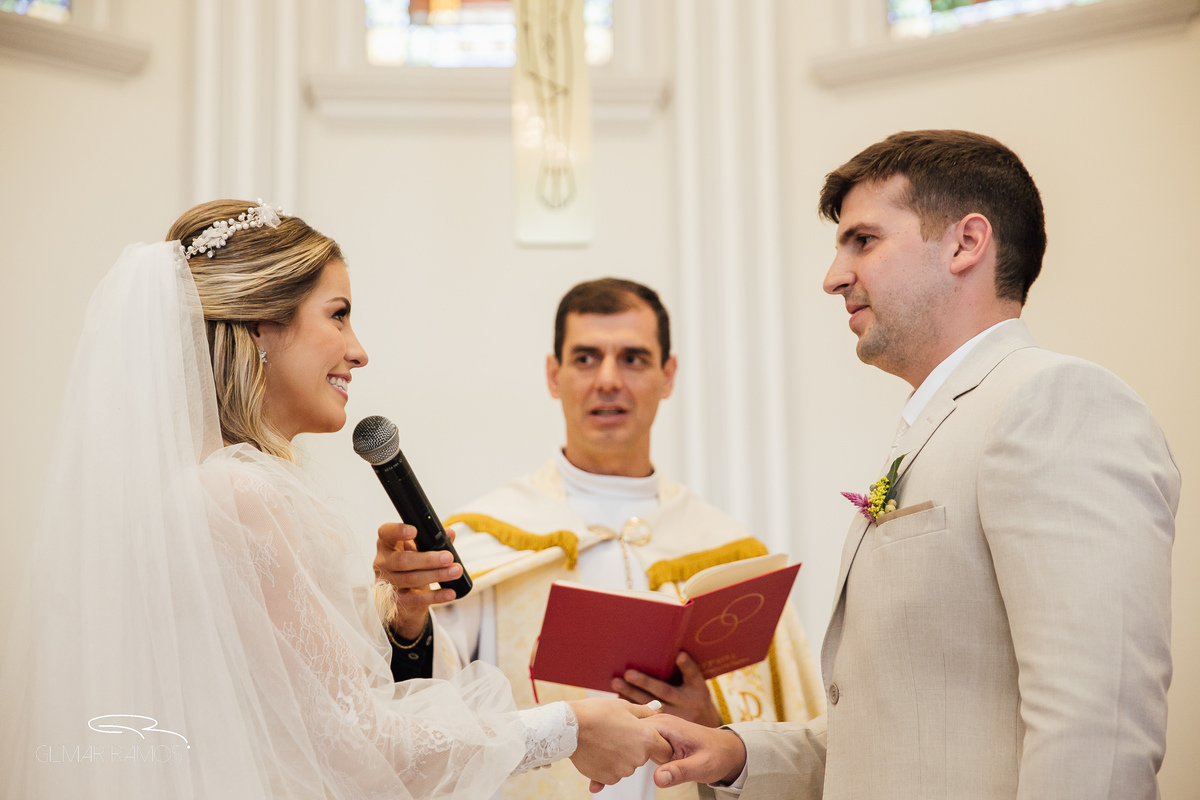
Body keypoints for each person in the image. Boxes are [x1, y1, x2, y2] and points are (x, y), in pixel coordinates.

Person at [0, 200, 670, 799]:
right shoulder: (239, 493)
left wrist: (402, 617)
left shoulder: (191, 489)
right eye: (339, 315)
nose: (359, 351)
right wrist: (569, 725)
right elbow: (362, 754)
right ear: (262, 324)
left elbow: (286, 714)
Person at [646, 130, 1180, 799]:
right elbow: (892, 739)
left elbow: (1096, 728)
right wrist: (732, 752)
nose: (834, 276)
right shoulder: (937, 427)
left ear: (965, 243)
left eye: (862, 240)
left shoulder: (1056, 403)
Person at [374, 278, 826, 799]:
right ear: (554, 374)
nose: (608, 379)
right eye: (586, 358)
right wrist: (406, 614)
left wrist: (714, 725)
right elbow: (429, 706)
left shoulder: (731, 552)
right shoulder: (484, 539)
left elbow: (798, 739)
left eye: (633, 358)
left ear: (667, 375)